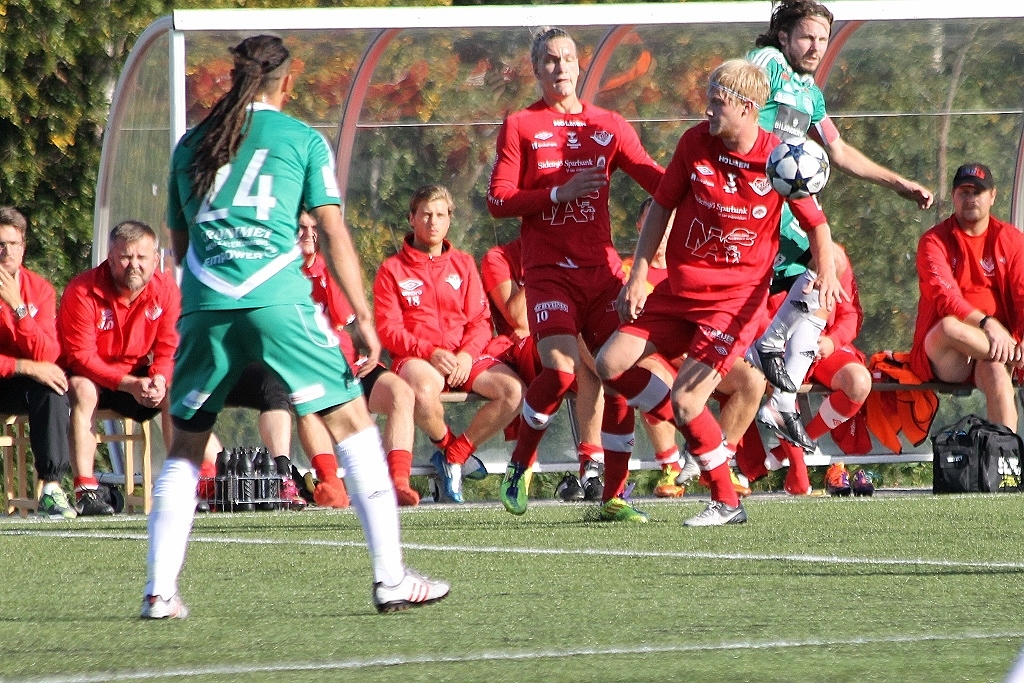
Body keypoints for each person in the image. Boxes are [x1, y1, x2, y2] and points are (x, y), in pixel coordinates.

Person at [147, 35, 448, 619]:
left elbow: (181, 247)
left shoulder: (190, 144)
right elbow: (332, 232)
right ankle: (390, 578)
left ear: (234, 78)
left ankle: (160, 592)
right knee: (354, 425)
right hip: (279, 300)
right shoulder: (301, 138)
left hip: (206, 304)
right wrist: (362, 317)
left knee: (185, 446)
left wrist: (215, 285)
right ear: (288, 81)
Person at [596, 59, 843, 526]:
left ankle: (727, 501)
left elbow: (817, 224)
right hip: (680, 292)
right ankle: (695, 425)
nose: (707, 110)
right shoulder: (694, 143)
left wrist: (826, 273)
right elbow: (660, 207)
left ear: (747, 108)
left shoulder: (779, 159)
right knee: (610, 364)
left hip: (732, 305)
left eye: (717, 102)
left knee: (690, 401)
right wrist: (639, 275)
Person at [487, 27, 663, 521]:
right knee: (562, 371)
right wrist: (556, 193)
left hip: (601, 274)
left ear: (580, 65)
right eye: (549, 59)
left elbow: (655, 178)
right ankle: (519, 466)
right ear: (536, 69)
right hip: (549, 274)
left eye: (567, 58)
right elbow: (498, 199)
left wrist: (704, 186)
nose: (560, 66)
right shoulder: (521, 124)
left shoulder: (608, 124)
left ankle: (613, 495)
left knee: (619, 372)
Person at [745, 0, 933, 449]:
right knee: (818, 268)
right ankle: (764, 367)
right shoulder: (767, 64)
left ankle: (782, 398)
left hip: (786, 204)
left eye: (822, 39)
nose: (815, 47)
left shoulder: (810, 93)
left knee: (827, 271)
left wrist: (898, 183)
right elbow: (735, 102)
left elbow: (840, 151)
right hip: (751, 202)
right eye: (806, 37)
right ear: (784, 37)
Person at [374, 185, 523, 504]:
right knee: (422, 390)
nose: (433, 222)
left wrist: (467, 356)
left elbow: (480, 322)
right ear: (411, 218)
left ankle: (455, 455)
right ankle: (437, 454)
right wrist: (430, 352)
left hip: (466, 356)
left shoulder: (464, 264)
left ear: (450, 219)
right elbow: (389, 330)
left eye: (441, 215)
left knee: (513, 392)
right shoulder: (392, 270)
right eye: (426, 214)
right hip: (418, 358)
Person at [59, 220, 181, 517]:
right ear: (110, 258)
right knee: (83, 389)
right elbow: (81, 357)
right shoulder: (82, 290)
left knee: (177, 388)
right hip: (91, 375)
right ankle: (86, 490)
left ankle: (182, 483)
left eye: (141, 257)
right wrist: (129, 384)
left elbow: (168, 347)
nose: (134, 265)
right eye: (126, 257)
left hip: (136, 375)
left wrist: (159, 378)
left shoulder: (166, 288)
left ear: (155, 258)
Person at [298, 210, 417, 506]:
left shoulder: (330, 266)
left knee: (401, 393)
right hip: (306, 369)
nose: (308, 234)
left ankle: (398, 482)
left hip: (347, 366)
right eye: (300, 228)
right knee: (306, 405)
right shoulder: (279, 272)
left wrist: (329, 267)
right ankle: (331, 482)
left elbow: (344, 317)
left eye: (315, 228)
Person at [480, 236, 607, 501]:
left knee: (593, 359)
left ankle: (591, 468)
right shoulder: (498, 258)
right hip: (519, 346)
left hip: (569, 343)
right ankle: (521, 463)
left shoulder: (576, 248)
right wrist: (543, 262)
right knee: (581, 356)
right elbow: (519, 318)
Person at [909, 163, 1024, 429]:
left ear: (993, 196)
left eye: (978, 192)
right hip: (949, 355)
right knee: (950, 325)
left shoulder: (1011, 239)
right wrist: (988, 324)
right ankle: (1013, 355)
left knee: (997, 374)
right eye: (964, 192)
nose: (970, 198)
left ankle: (1006, 453)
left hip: (994, 351)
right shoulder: (934, 240)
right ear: (953, 196)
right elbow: (945, 298)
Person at [761, 245, 871, 495]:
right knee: (772, 374)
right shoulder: (760, 248)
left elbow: (851, 314)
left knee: (859, 382)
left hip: (822, 349)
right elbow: (751, 312)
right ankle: (798, 469)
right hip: (776, 345)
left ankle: (797, 444)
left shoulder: (833, 255)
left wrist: (832, 341)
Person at [618, 198, 699, 497]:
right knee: (652, 376)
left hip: (690, 355)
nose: (662, 233)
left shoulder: (687, 270)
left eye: (668, 225)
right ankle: (670, 467)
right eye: (654, 224)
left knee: (747, 376)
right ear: (641, 227)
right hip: (653, 354)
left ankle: (729, 462)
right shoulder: (628, 271)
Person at [0, 206, 76, 518]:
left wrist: (18, 307)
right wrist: (25, 366)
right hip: (9, 373)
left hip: (16, 385)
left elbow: (46, 354)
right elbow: (35, 363)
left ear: (23, 247)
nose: (6, 252)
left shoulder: (40, 289)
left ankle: (51, 488)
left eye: (12, 244)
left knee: (52, 387)